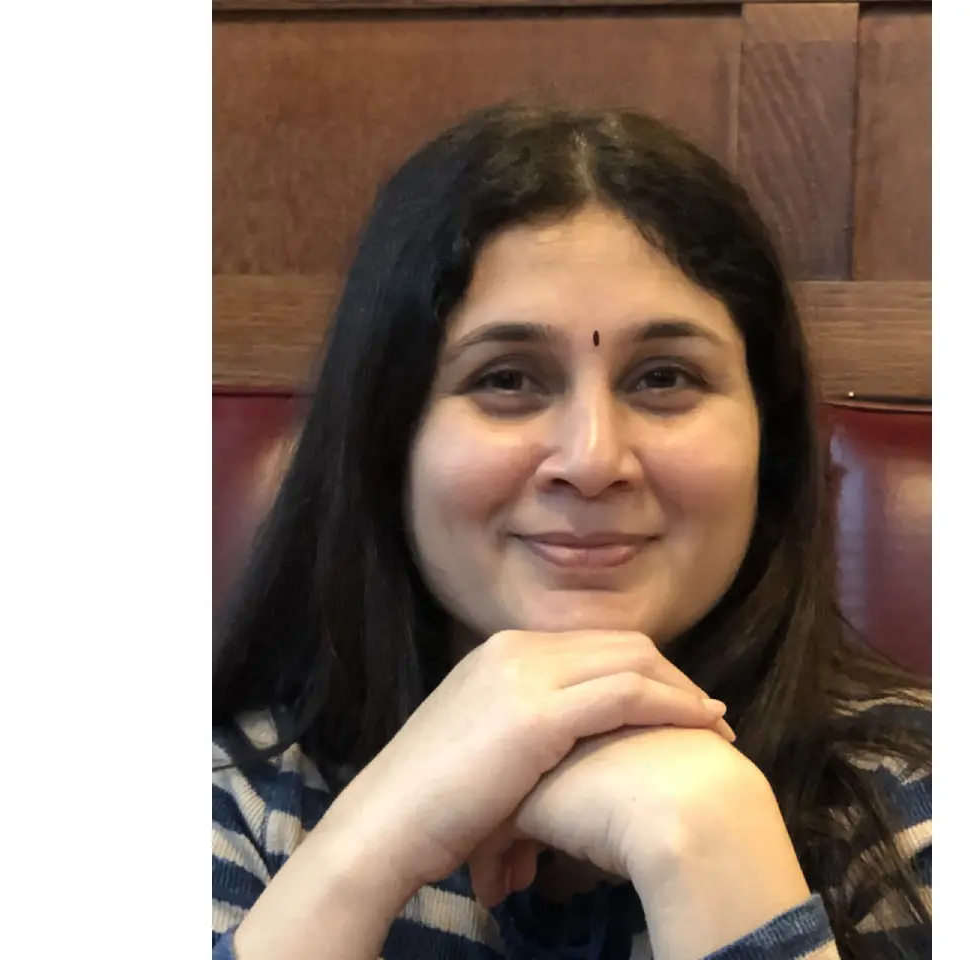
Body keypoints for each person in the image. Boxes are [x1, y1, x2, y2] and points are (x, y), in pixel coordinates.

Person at [212, 104, 931, 960]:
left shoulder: (916, 802)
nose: (593, 460)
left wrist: (708, 837)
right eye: (507, 378)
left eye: (664, 377)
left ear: (767, 445)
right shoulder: (236, 806)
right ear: (385, 437)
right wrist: (362, 854)